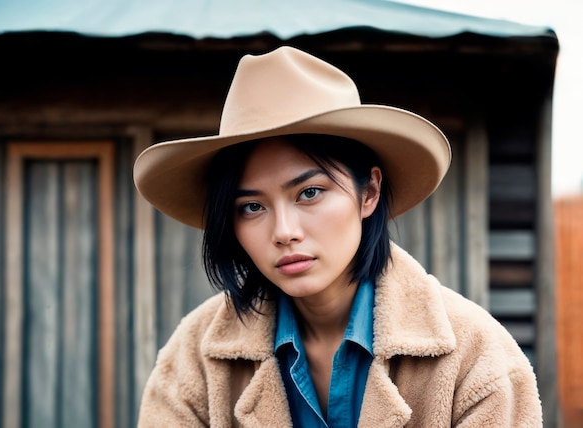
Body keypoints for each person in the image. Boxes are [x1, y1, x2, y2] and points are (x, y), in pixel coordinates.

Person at [133, 46, 542, 427]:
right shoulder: (195, 357)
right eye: (252, 207)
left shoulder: (476, 359)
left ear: (368, 192)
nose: (284, 232)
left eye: (309, 193)